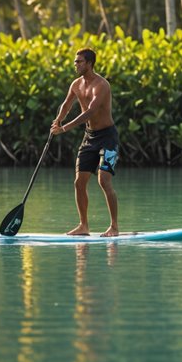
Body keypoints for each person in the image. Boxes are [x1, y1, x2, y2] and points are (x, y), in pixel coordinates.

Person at [50, 48, 119, 236]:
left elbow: (90, 111)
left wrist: (64, 129)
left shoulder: (102, 85)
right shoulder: (76, 84)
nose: (76, 64)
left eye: (79, 62)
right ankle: (83, 226)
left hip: (108, 139)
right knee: (79, 182)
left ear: (89, 63)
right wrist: (58, 120)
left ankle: (114, 227)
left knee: (104, 180)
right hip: (89, 138)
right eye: (75, 61)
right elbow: (66, 105)